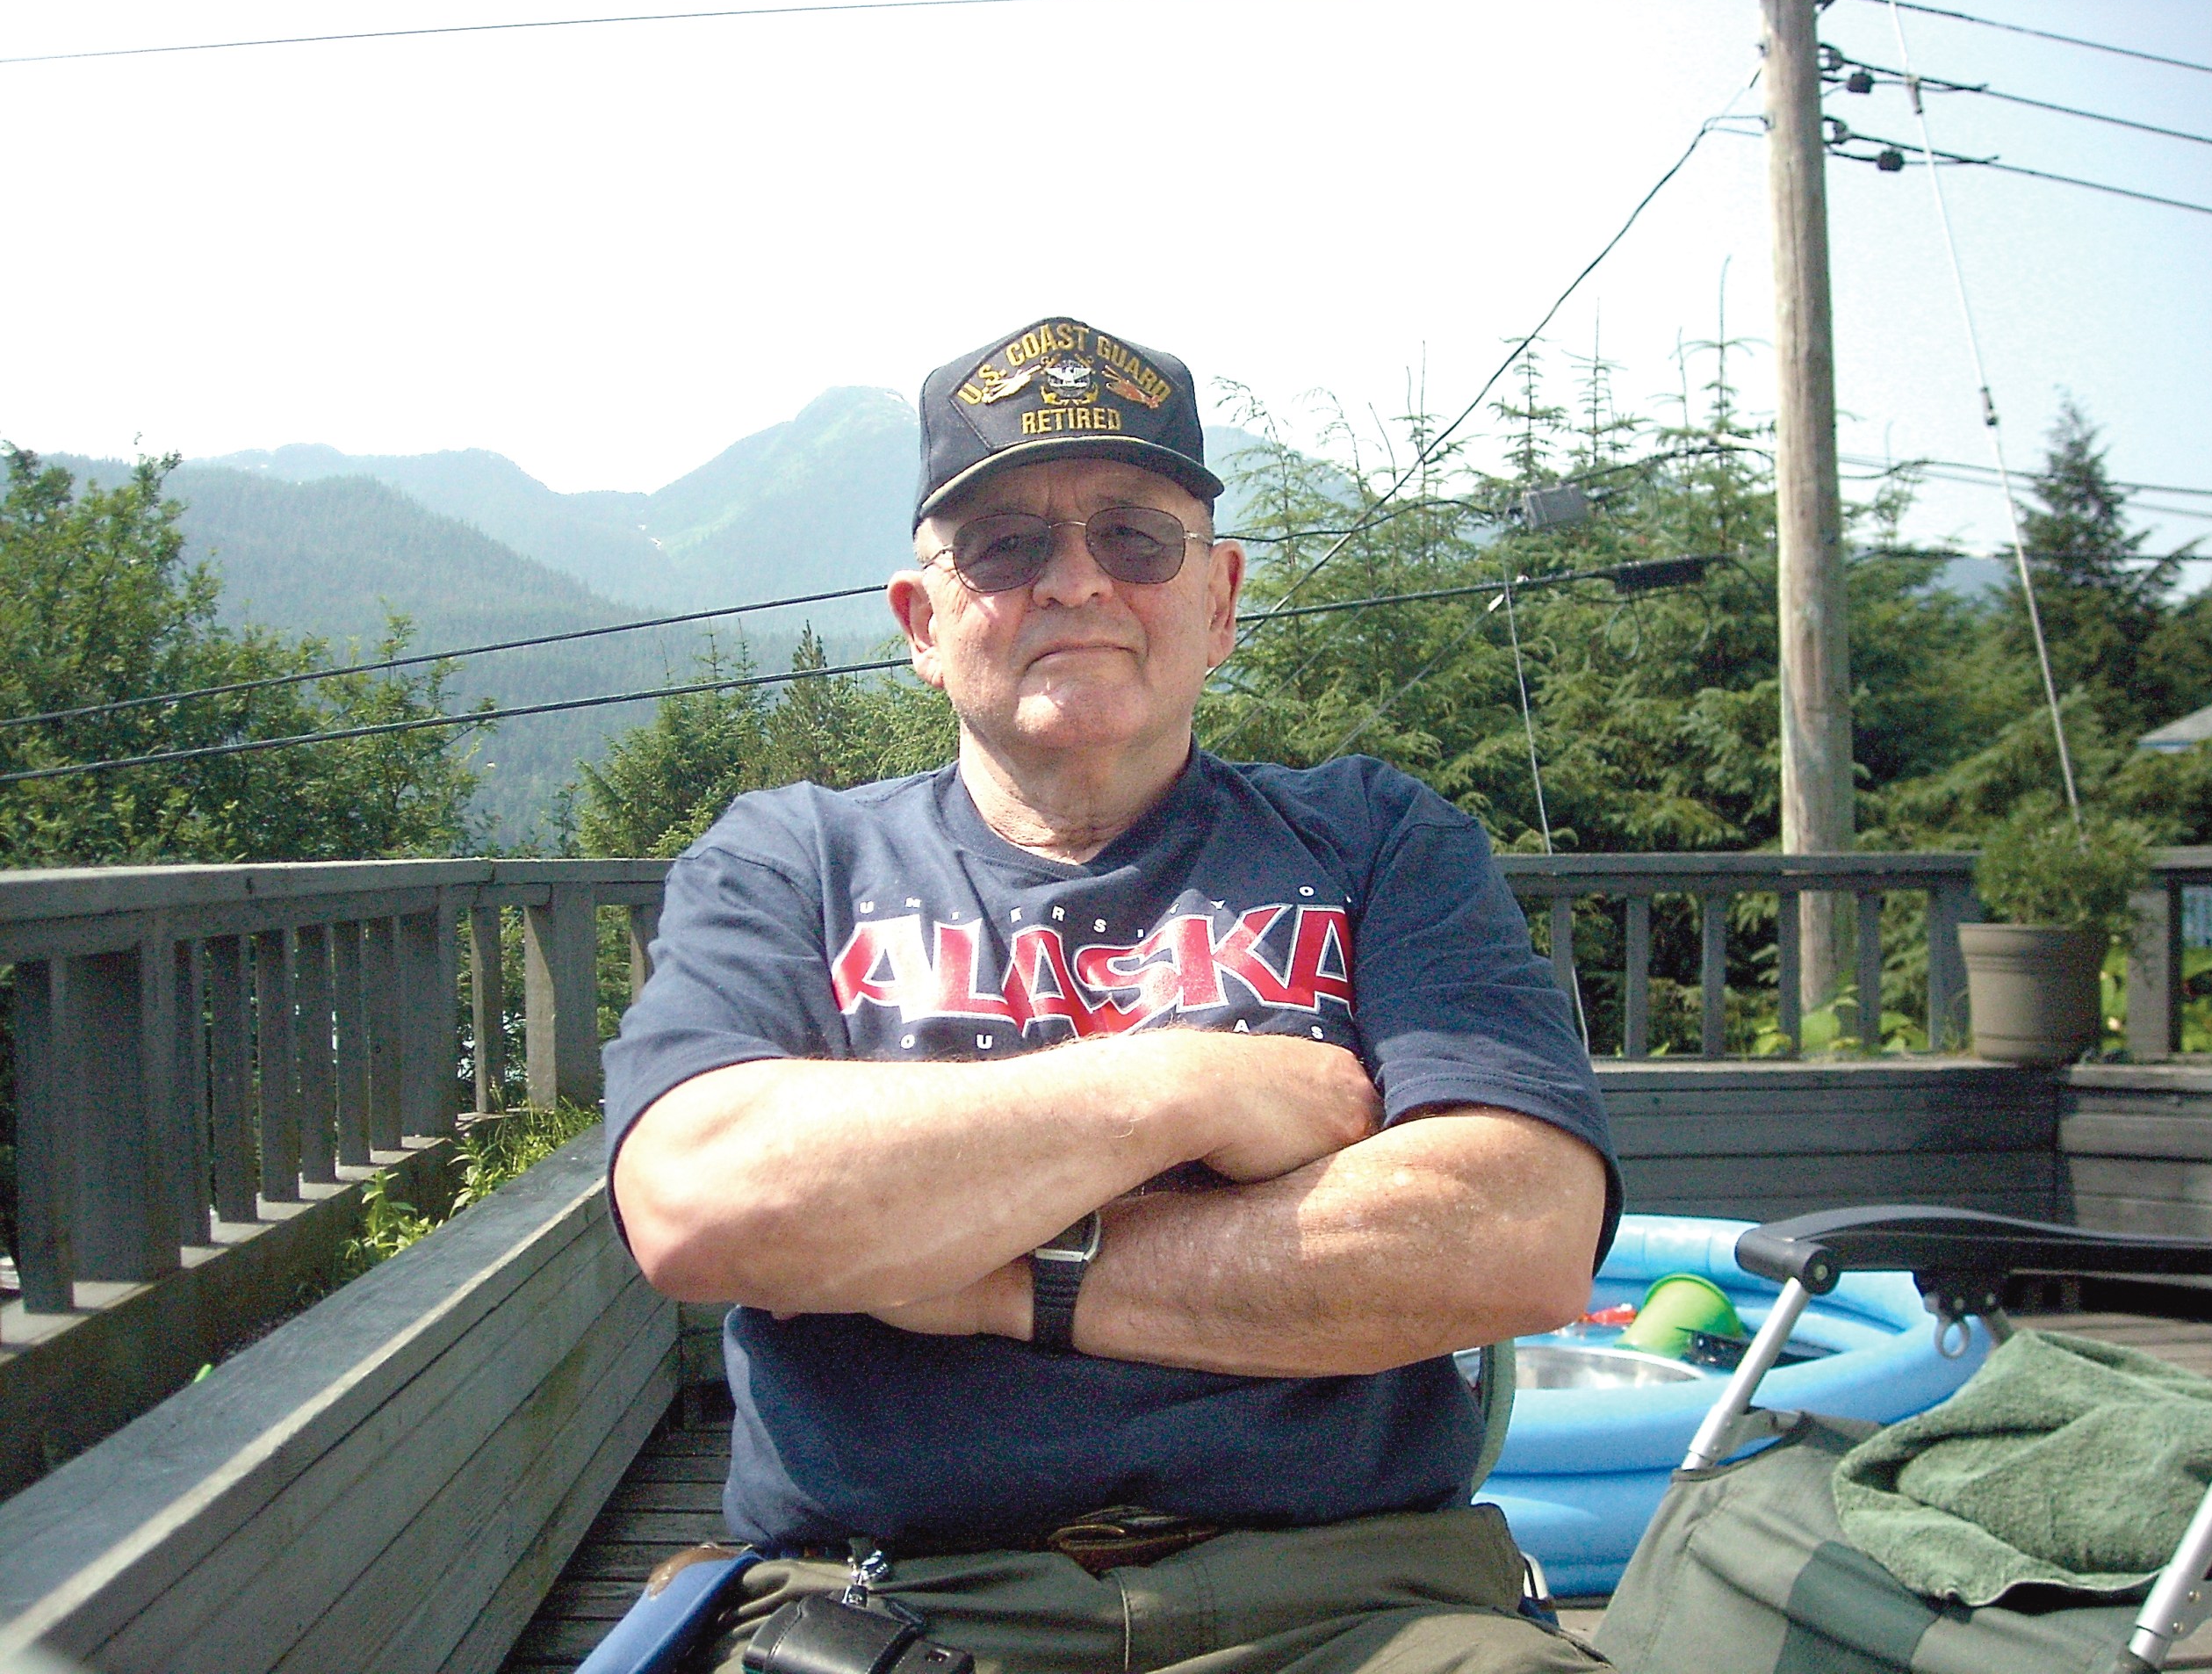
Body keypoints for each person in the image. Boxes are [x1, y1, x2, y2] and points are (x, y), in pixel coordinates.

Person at [604, 316, 1621, 1674]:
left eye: (1136, 539)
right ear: (922, 623)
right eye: (1004, 547)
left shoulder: (1381, 840)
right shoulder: (790, 859)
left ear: (1221, 600)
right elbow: (702, 1201)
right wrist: (1185, 1085)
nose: (1075, 580)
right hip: (891, 1610)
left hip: (1363, 1602)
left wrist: (989, 1273)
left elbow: (1517, 1233)